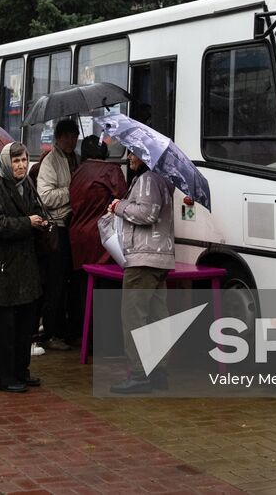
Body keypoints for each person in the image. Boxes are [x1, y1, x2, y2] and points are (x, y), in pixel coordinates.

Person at [0, 142, 48, 393]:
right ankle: (4, 377)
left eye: (24, 160)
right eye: (16, 161)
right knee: (5, 327)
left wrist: (42, 221)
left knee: (25, 324)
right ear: (7, 162)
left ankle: (21, 371)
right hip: (1, 267)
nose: (21, 165)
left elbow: (35, 211)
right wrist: (27, 223)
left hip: (25, 266)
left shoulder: (27, 184)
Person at [107, 148, 176, 394]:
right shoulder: (164, 180)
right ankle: (159, 373)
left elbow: (147, 213)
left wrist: (119, 206)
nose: (129, 157)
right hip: (161, 257)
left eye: (133, 153)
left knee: (134, 316)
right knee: (158, 316)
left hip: (143, 258)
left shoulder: (147, 179)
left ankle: (138, 374)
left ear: (145, 156)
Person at [35, 118, 80, 349]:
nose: (72, 141)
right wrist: (71, 191)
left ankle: (65, 330)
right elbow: (45, 197)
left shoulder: (75, 159)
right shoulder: (51, 161)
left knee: (69, 283)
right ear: (58, 138)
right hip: (57, 228)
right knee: (55, 283)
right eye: (67, 137)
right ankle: (50, 333)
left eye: (74, 136)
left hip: (72, 227)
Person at [68, 135, 127, 269]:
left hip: (78, 235)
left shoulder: (77, 172)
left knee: (84, 283)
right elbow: (124, 201)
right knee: (102, 283)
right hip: (101, 238)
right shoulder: (111, 170)